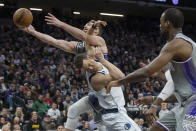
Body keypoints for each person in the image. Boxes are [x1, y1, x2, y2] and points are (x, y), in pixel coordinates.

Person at [107, 8, 196, 131]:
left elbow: (146, 72)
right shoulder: (185, 43)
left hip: (193, 105)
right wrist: (154, 99)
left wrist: (119, 81)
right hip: (184, 103)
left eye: (161, 22)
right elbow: (184, 93)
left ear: (167, 23)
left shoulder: (176, 44)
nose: (160, 26)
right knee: (155, 128)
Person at [20, 18, 108, 131]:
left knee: (104, 126)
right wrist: (34, 32)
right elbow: (55, 42)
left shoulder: (100, 42)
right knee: (73, 110)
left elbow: (85, 37)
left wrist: (61, 24)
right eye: (86, 24)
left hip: (106, 94)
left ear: (96, 31)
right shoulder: (79, 47)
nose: (86, 26)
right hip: (94, 93)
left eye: (91, 26)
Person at [74, 47, 141, 131]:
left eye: (89, 65)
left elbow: (89, 39)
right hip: (115, 116)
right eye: (87, 68)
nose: (90, 68)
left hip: (112, 115)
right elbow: (121, 77)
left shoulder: (96, 60)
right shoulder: (95, 79)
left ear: (90, 57)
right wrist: (102, 59)